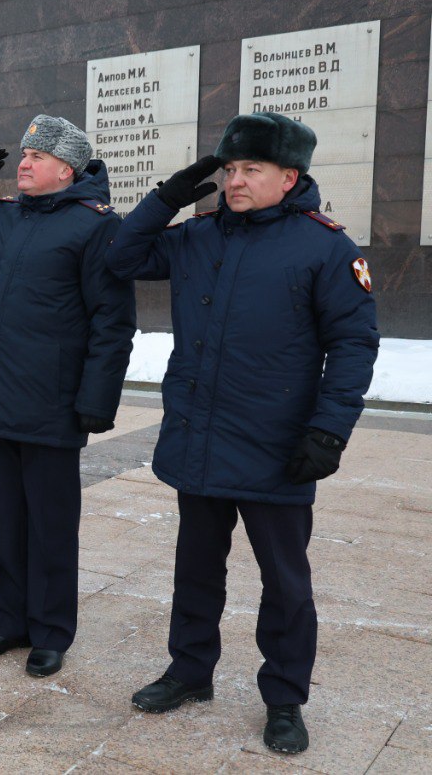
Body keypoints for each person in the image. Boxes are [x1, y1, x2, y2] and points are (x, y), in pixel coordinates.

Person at [105, 113, 380, 755]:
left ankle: (284, 698)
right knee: (195, 567)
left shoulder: (327, 248)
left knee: (284, 581)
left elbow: (354, 345)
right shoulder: (198, 236)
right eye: (229, 169)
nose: (234, 181)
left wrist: (328, 432)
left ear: (291, 176)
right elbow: (121, 257)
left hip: (279, 448)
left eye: (251, 169)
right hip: (200, 434)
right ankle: (189, 671)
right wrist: (173, 193)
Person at [0, 117, 137, 677]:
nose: (23, 164)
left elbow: (112, 321)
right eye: (22, 155)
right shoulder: (0, 218)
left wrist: (98, 399)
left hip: (53, 400)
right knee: (6, 519)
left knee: (49, 525)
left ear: (66, 170)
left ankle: (51, 631)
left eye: (37, 157)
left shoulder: (96, 227)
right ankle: (10, 622)